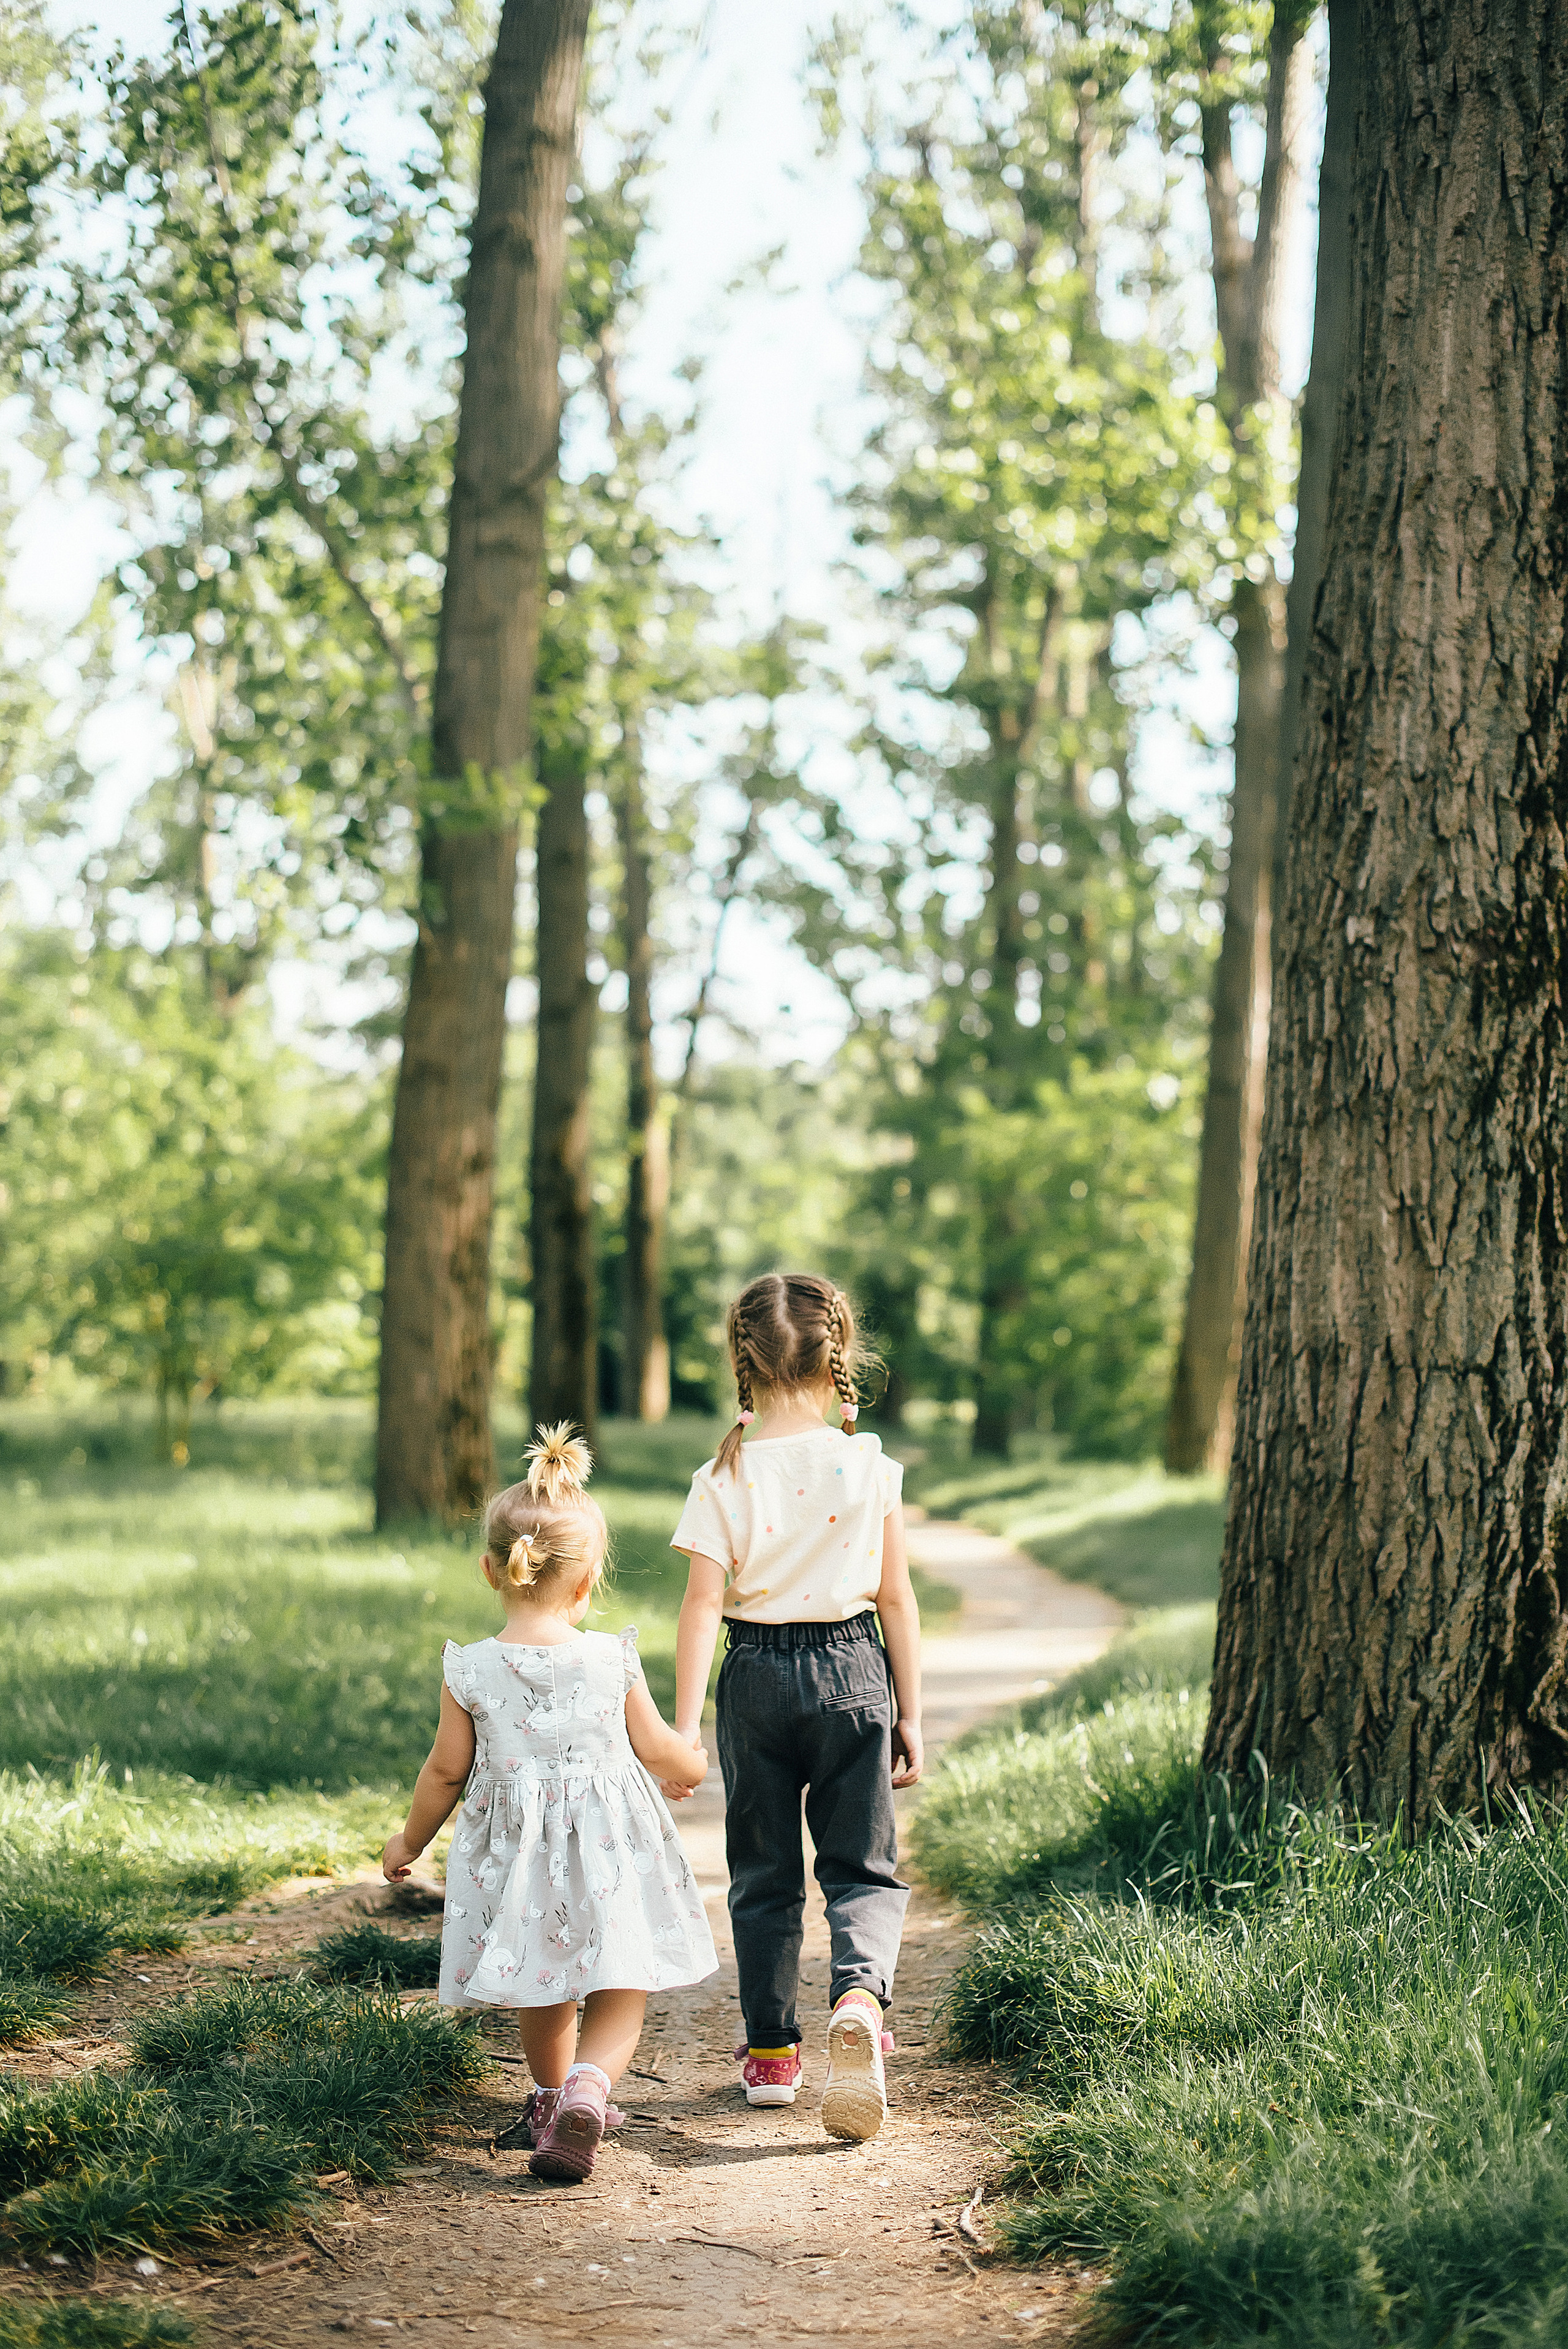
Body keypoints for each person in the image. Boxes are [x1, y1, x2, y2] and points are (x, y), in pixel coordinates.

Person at [382, 1421, 715, 2184]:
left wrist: (409, 1842)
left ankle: (545, 2097)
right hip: (610, 1849)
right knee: (618, 1979)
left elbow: (444, 1772)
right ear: (588, 1578)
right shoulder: (609, 1658)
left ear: (489, 1569)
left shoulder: (469, 1669)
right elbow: (659, 1748)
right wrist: (689, 1762)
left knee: (545, 1973)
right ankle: (591, 2089)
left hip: (518, 1856)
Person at [668, 1272, 922, 2143]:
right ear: (836, 1353)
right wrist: (909, 1710)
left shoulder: (722, 1473)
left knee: (764, 1870)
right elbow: (896, 1597)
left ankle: (773, 2052)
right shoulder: (868, 1463)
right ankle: (858, 1997)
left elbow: (702, 1604)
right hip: (854, 1667)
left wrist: (683, 1725)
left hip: (755, 1679)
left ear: (743, 1358)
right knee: (862, 1863)